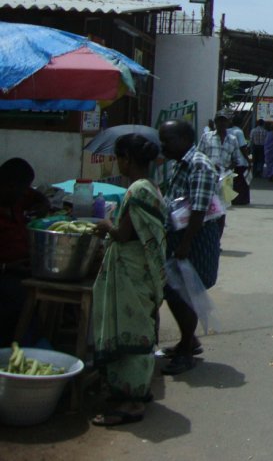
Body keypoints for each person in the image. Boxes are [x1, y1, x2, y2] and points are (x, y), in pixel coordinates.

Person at [90, 133, 166, 427]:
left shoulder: (137, 190)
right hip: (138, 273)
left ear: (128, 159)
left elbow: (123, 234)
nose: (117, 163)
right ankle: (131, 390)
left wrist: (105, 224)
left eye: (119, 157)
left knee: (133, 333)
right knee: (137, 330)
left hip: (132, 272)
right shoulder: (151, 187)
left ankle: (133, 402)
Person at [158, 119, 221, 375]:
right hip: (178, 236)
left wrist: (184, 245)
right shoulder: (179, 164)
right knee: (173, 290)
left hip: (194, 240)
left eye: (167, 140)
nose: (163, 146)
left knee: (184, 294)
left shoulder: (199, 165)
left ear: (184, 139)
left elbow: (199, 208)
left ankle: (186, 351)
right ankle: (188, 340)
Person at [0, 158, 49, 347]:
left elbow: (38, 197)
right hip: (6, 275)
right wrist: (7, 266)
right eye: (22, 189)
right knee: (19, 299)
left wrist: (43, 204)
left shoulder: (16, 200)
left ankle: (38, 342)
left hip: (24, 268)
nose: (24, 194)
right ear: (10, 186)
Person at [198, 112, 249, 216]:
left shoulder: (232, 139)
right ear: (215, 122)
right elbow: (199, 156)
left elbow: (236, 159)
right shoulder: (206, 137)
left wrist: (227, 169)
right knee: (205, 208)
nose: (221, 123)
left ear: (228, 122)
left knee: (221, 210)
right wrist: (209, 165)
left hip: (224, 180)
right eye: (219, 121)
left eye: (224, 121)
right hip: (207, 177)